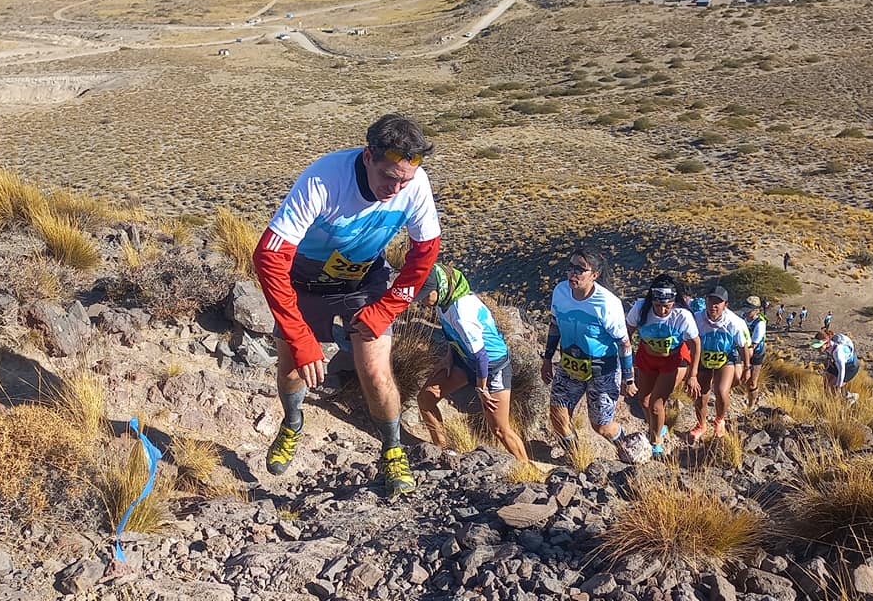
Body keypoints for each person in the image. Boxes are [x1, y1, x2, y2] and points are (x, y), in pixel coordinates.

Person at [253, 113, 440, 496]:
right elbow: (269, 257)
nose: (397, 188)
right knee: (293, 366)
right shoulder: (324, 179)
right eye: (390, 177)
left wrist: (388, 307)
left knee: (376, 371)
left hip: (362, 282)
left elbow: (426, 251)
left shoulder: (414, 182)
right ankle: (292, 422)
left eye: (404, 180)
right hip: (305, 284)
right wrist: (300, 337)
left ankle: (392, 450)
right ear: (368, 156)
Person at [415, 264, 528, 464]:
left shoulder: (462, 312)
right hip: (465, 359)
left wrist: (482, 390)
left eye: (425, 294)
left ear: (439, 288)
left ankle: (527, 468)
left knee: (499, 429)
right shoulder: (444, 301)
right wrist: (449, 357)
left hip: (493, 367)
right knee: (426, 399)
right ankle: (444, 454)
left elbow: (482, 357)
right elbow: (452, 334)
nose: (423, 301)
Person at [541, 249, 635, 455]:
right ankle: (576, 456)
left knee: (601, 426)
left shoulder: (607, 303)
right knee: (558, 416)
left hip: (603, 371)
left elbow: (624, 343)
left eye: (580, 269)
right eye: (571, 267)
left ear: (594, 274)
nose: (573, 273)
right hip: (569, 366)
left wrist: (628, 379)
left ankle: (628, 447)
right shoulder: (560, 292)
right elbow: (555, 325)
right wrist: (547, 359)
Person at [625, 274, 701, 458]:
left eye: (667, 305)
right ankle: (659, 426)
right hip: (647, 357)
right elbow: (626, 335)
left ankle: (656, 441)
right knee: (643, 401)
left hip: (673, 361)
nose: (663, 310)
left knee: (656, 405)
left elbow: (696, 344)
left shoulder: (682, 315)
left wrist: (692, 375)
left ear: (674, 302)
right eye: (658, 305)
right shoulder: (640, 308)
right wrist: (625, 369)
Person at [690, 286, 751, 440]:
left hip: (725, 359)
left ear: (726, 305)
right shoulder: (696, 318)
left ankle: (719, 420)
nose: (713, 306)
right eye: (711, 301)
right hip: (703, 357)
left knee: (722, 392)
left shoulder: (734, 322)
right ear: (706, 301)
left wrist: (747, 368)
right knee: (701, 395)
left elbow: (742, 346)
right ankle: (701, 425)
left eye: (718, 302)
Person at [811, 329, 859, 403]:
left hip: (850, 367)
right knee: (826, 383)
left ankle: (850, 396)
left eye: (819, 346)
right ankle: (829, 402)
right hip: (838, 363)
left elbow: (842, 371)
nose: (817, 349)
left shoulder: (838, 353)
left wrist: (838, 387)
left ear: (826, 343)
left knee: (833, 387)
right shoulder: (828, 346)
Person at [742, 296, 768, 408]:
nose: (747, 311)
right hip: (742, 349)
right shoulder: (742, 318)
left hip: (755, 353)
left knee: (752, 381)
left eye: (750, 309)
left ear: (756, 310)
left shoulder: (760, 324)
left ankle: (751, 404)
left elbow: (753, 345)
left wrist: (746, 364)